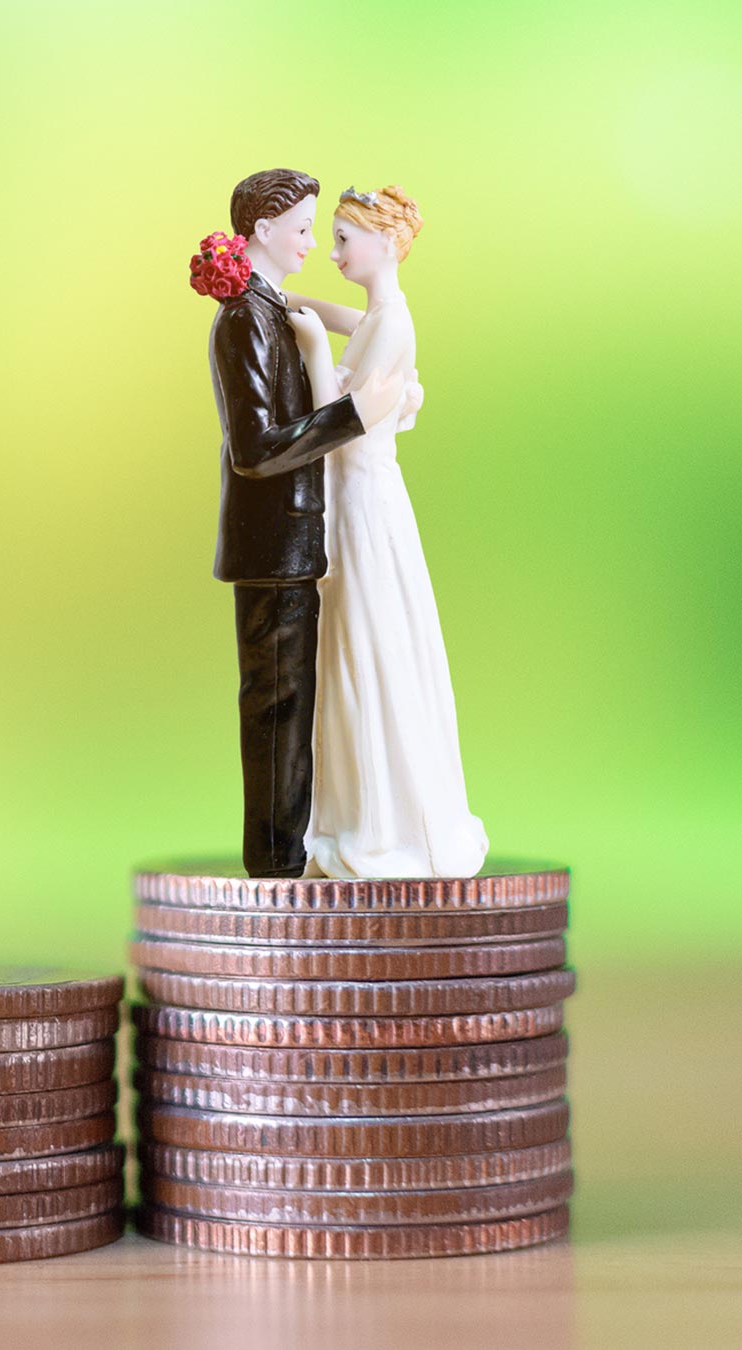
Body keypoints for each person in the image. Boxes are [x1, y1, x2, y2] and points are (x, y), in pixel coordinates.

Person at [200, 168, 409, 878]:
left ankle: (288, 857)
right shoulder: (243, 321)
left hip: (292, 542)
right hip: (273, 544)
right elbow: (257, 449)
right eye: (302, 229)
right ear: (262, 230)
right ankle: (275, 870)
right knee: (276, 707)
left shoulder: (268, 305)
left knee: (291, 707)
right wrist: (355, 415)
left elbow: (333, 320)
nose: (312, 243)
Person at [283, 186, 488, 878]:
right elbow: (360, 323)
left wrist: (310, 343)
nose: (333, 251)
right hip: (356, 490)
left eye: (343, 239)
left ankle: (380, 821)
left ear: (385, 244)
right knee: (350, 636)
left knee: (366, 636)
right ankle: (352, 806)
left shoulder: (394, 323)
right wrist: (306, 308)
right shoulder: (383, 314)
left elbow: (338, 415)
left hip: (362, 493)